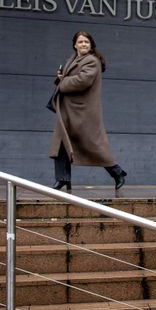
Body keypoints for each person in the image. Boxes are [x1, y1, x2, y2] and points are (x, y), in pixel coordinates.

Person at [49, 30, 126, 192]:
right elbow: (68, 79)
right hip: (69, 110)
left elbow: (83, 81)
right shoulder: (73, 59)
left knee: (94, 145)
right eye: (80, 42)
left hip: (83, 111)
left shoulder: (92, 61)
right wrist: (60, 77)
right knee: (61, 144)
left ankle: (117, 172)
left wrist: (63, 81)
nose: (83, 44)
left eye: (86, 42)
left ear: (91, 45)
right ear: (75, 45)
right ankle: (62, 179)